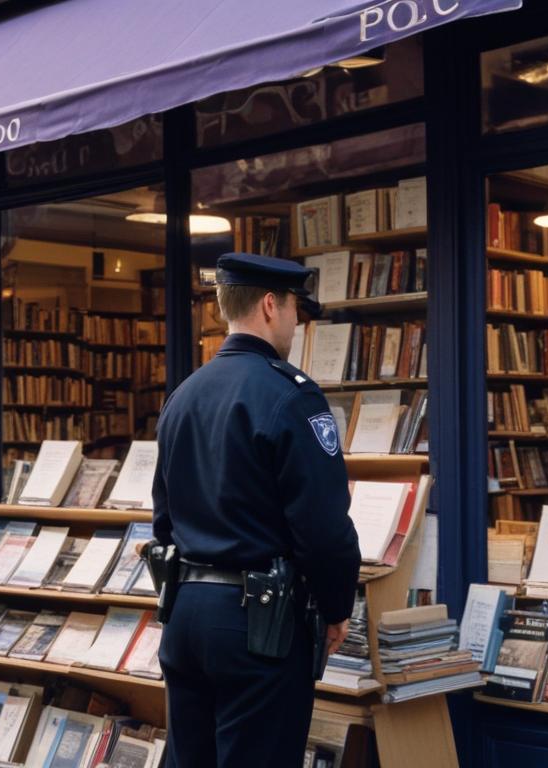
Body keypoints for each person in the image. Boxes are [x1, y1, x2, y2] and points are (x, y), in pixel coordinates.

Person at [152, 252, 361, 768]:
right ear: (271, 305)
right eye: (294, 310)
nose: (296, 324)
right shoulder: (291, 396)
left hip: (185, 614)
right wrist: (337, 607)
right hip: (259, 625)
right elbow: (323, 527)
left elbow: (163, 518)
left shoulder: (183, 396)